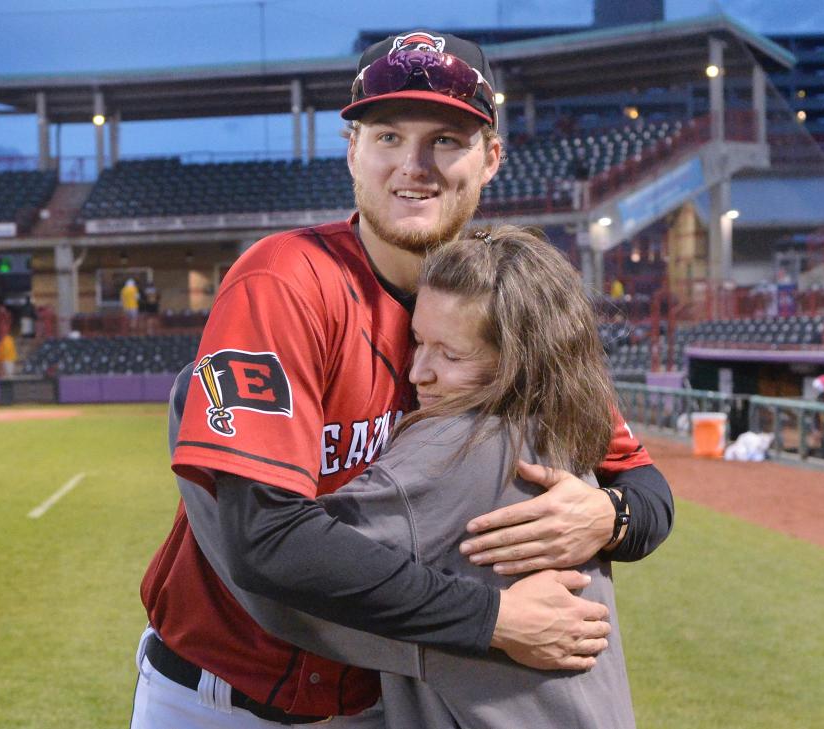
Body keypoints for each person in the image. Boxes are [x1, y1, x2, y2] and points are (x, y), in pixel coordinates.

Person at [132, 29, 673, 728]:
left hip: (383, 704)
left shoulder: (506, 303)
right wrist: (493, 616)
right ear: (352, 148)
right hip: (226, 700)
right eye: (387, 136)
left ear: (492, 159)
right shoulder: (284, 282)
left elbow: (647, 489)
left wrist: (607, 516)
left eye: (446, 139)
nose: (414, 166)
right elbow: (264, 539)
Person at [180, 226, 644, 728]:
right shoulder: (564, 427)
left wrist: (193, 409)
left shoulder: (455, 448)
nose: (418, 372)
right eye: (418, 342)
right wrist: (614, 512)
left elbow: (275, 565)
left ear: (519, 360)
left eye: (451, 355)